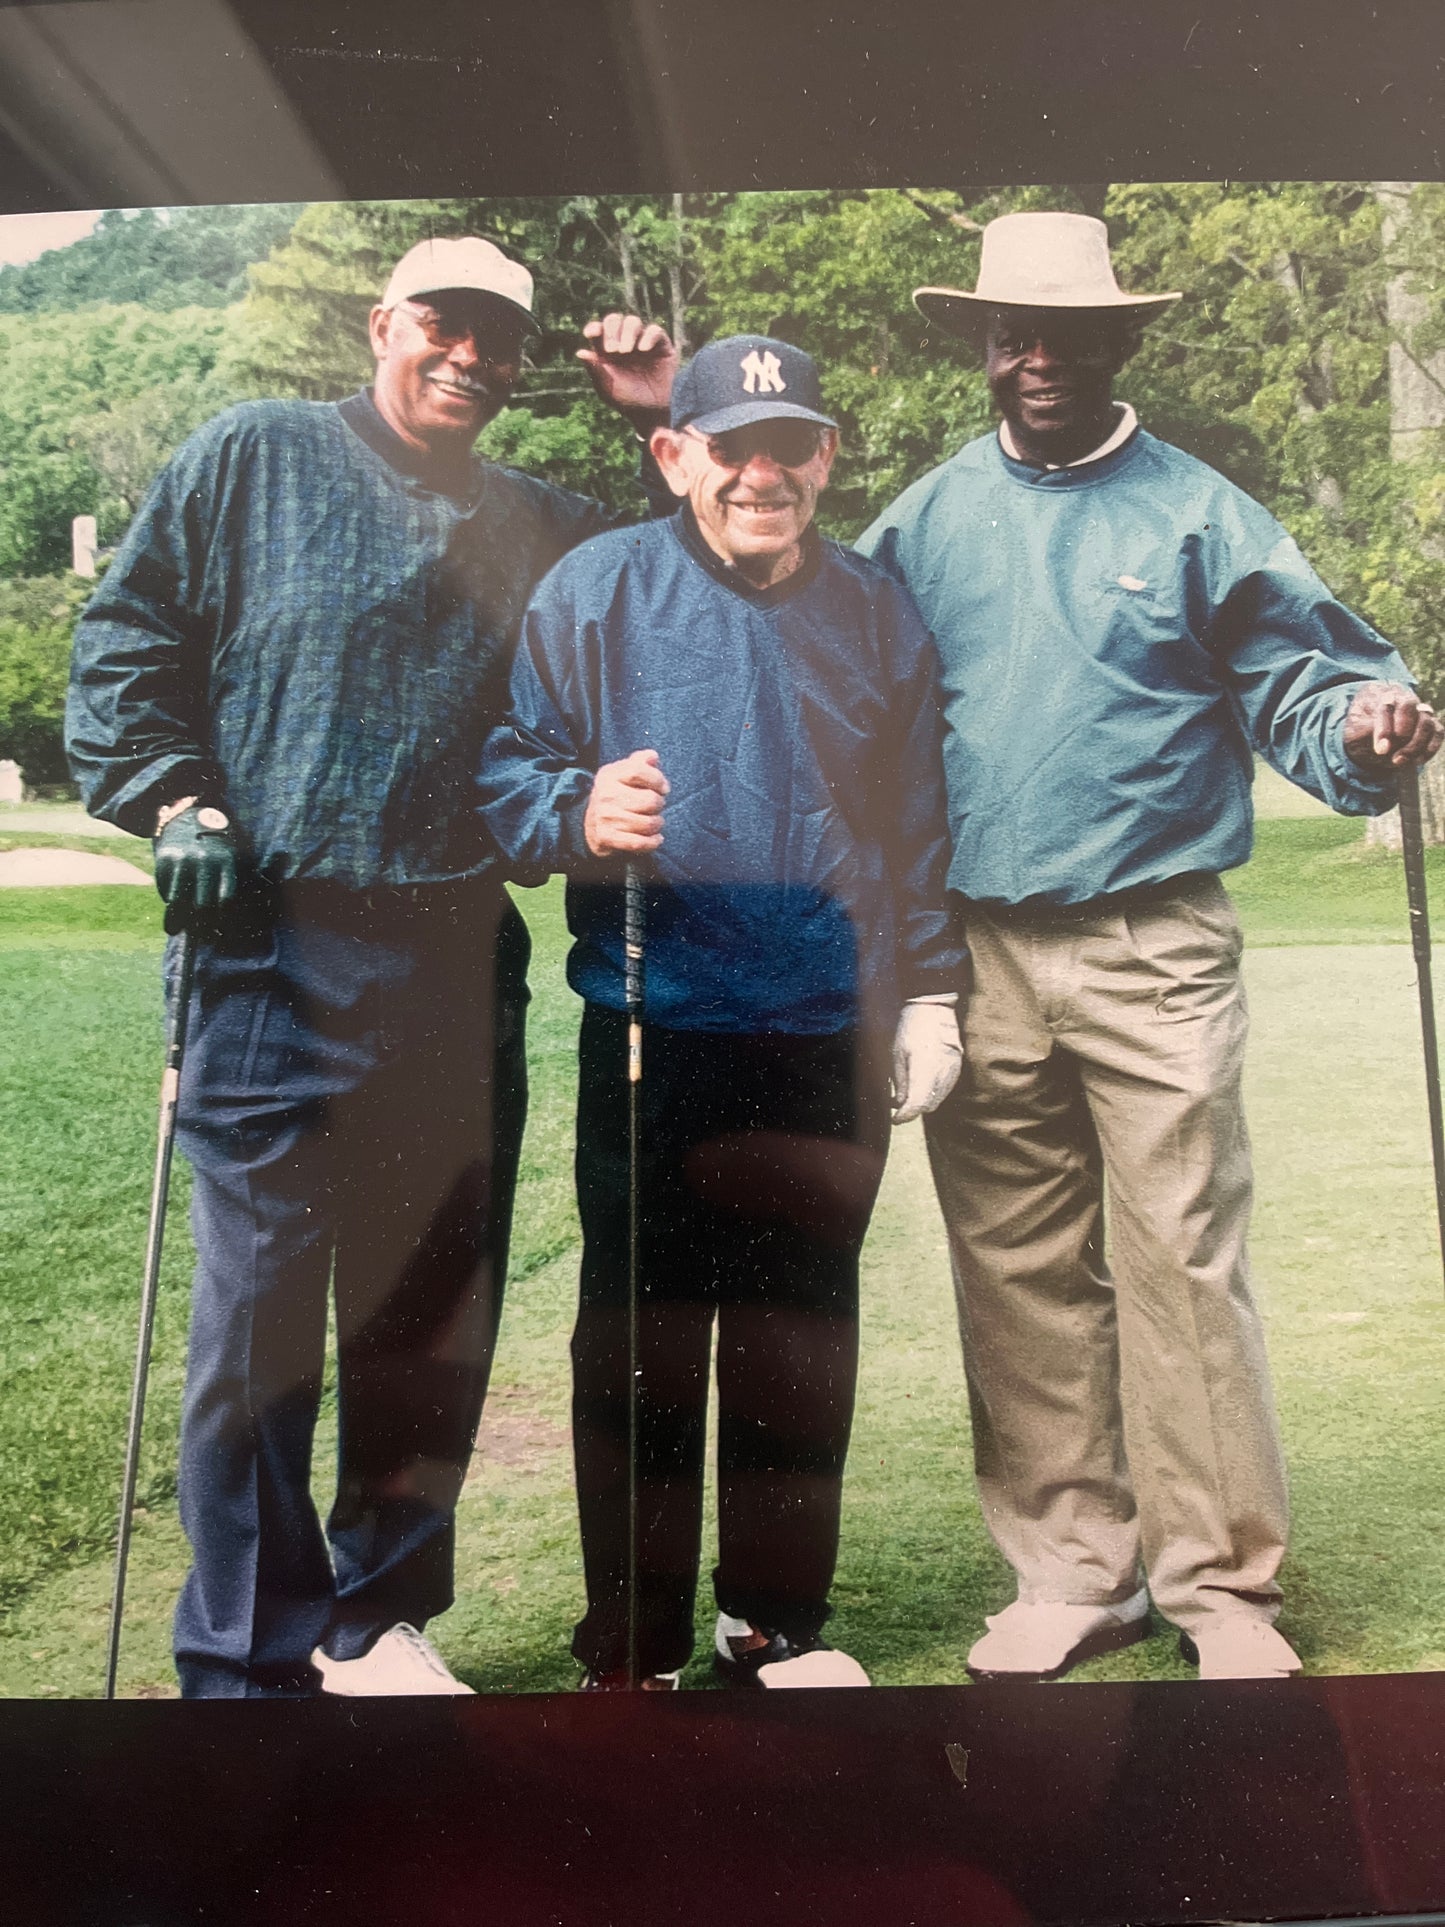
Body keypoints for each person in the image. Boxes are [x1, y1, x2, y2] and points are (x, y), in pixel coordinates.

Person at [66, 236, 678, 1699]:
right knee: (259, 1325)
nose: (468, 357)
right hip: (263, 946)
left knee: (424, 1313)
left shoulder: (544, 519)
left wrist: (655, 419)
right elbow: (127, 644)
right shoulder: (248, 455)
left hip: (457, 948)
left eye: (498, 339)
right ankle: (245, 1659)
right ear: (381, 324)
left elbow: (678, 576)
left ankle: (373, 1617)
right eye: (442, 327)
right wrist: (174, 797)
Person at [856, 211, 1443, 1682]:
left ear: (1121, 339)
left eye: (1067, 330)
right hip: (971, 950)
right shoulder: (920, 524)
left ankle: (1218, 1589)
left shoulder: (1201, 512)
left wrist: (1365, 733)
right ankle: (1072, 1572)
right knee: (1016, 1271)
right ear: (982, 345)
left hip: (1152, 941)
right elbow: (833, 701)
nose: (1037, 356)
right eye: (1013, 332)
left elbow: (1311, 681)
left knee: (1180, 1261)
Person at [479, 335, 965, 1688]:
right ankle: (626, 1639)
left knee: (797, 1331)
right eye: (733, 445)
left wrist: (928, 989)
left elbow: (915, 822)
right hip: (655, 1016)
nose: (763, 472)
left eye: (790, 444)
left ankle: (772, 1622)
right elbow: (511, 781)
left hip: (824, 1027)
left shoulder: (873, 607)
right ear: (674, 453)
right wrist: (577, 813)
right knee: (641, 1335)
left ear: (823, 455)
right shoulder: (597, 590)